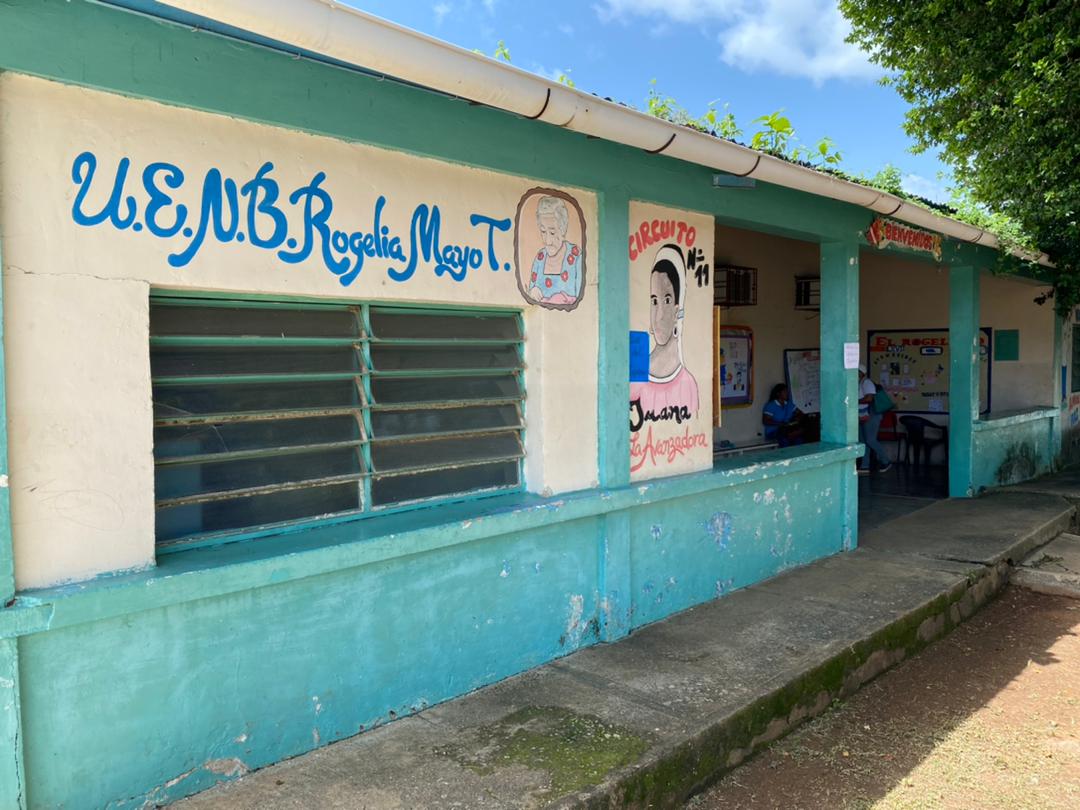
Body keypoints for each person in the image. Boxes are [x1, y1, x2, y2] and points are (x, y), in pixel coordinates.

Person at [629, 244, 699, 415]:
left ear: (677, 309)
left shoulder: (688, 383)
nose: (659, 315)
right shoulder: (637, 371)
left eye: (667, 300)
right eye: (654, 301)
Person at [527, 195, 581, 305]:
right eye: (543, 231)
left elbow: (582, 300)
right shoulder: (540, 257)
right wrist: (532, 292)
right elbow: (530, 294)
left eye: (552, 233)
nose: (547, 241)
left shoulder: (576, 256)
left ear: (563, 229)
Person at [858, 364, 891, 474]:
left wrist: (854, 402)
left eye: (857, 372)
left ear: (862, 373)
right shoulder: (859, 383)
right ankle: (865, 466)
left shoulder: (866, 382)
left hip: (872, 414)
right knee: (863, 442)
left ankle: (886, 461)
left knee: (870, 440)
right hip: (862, 414)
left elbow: (869, 398)